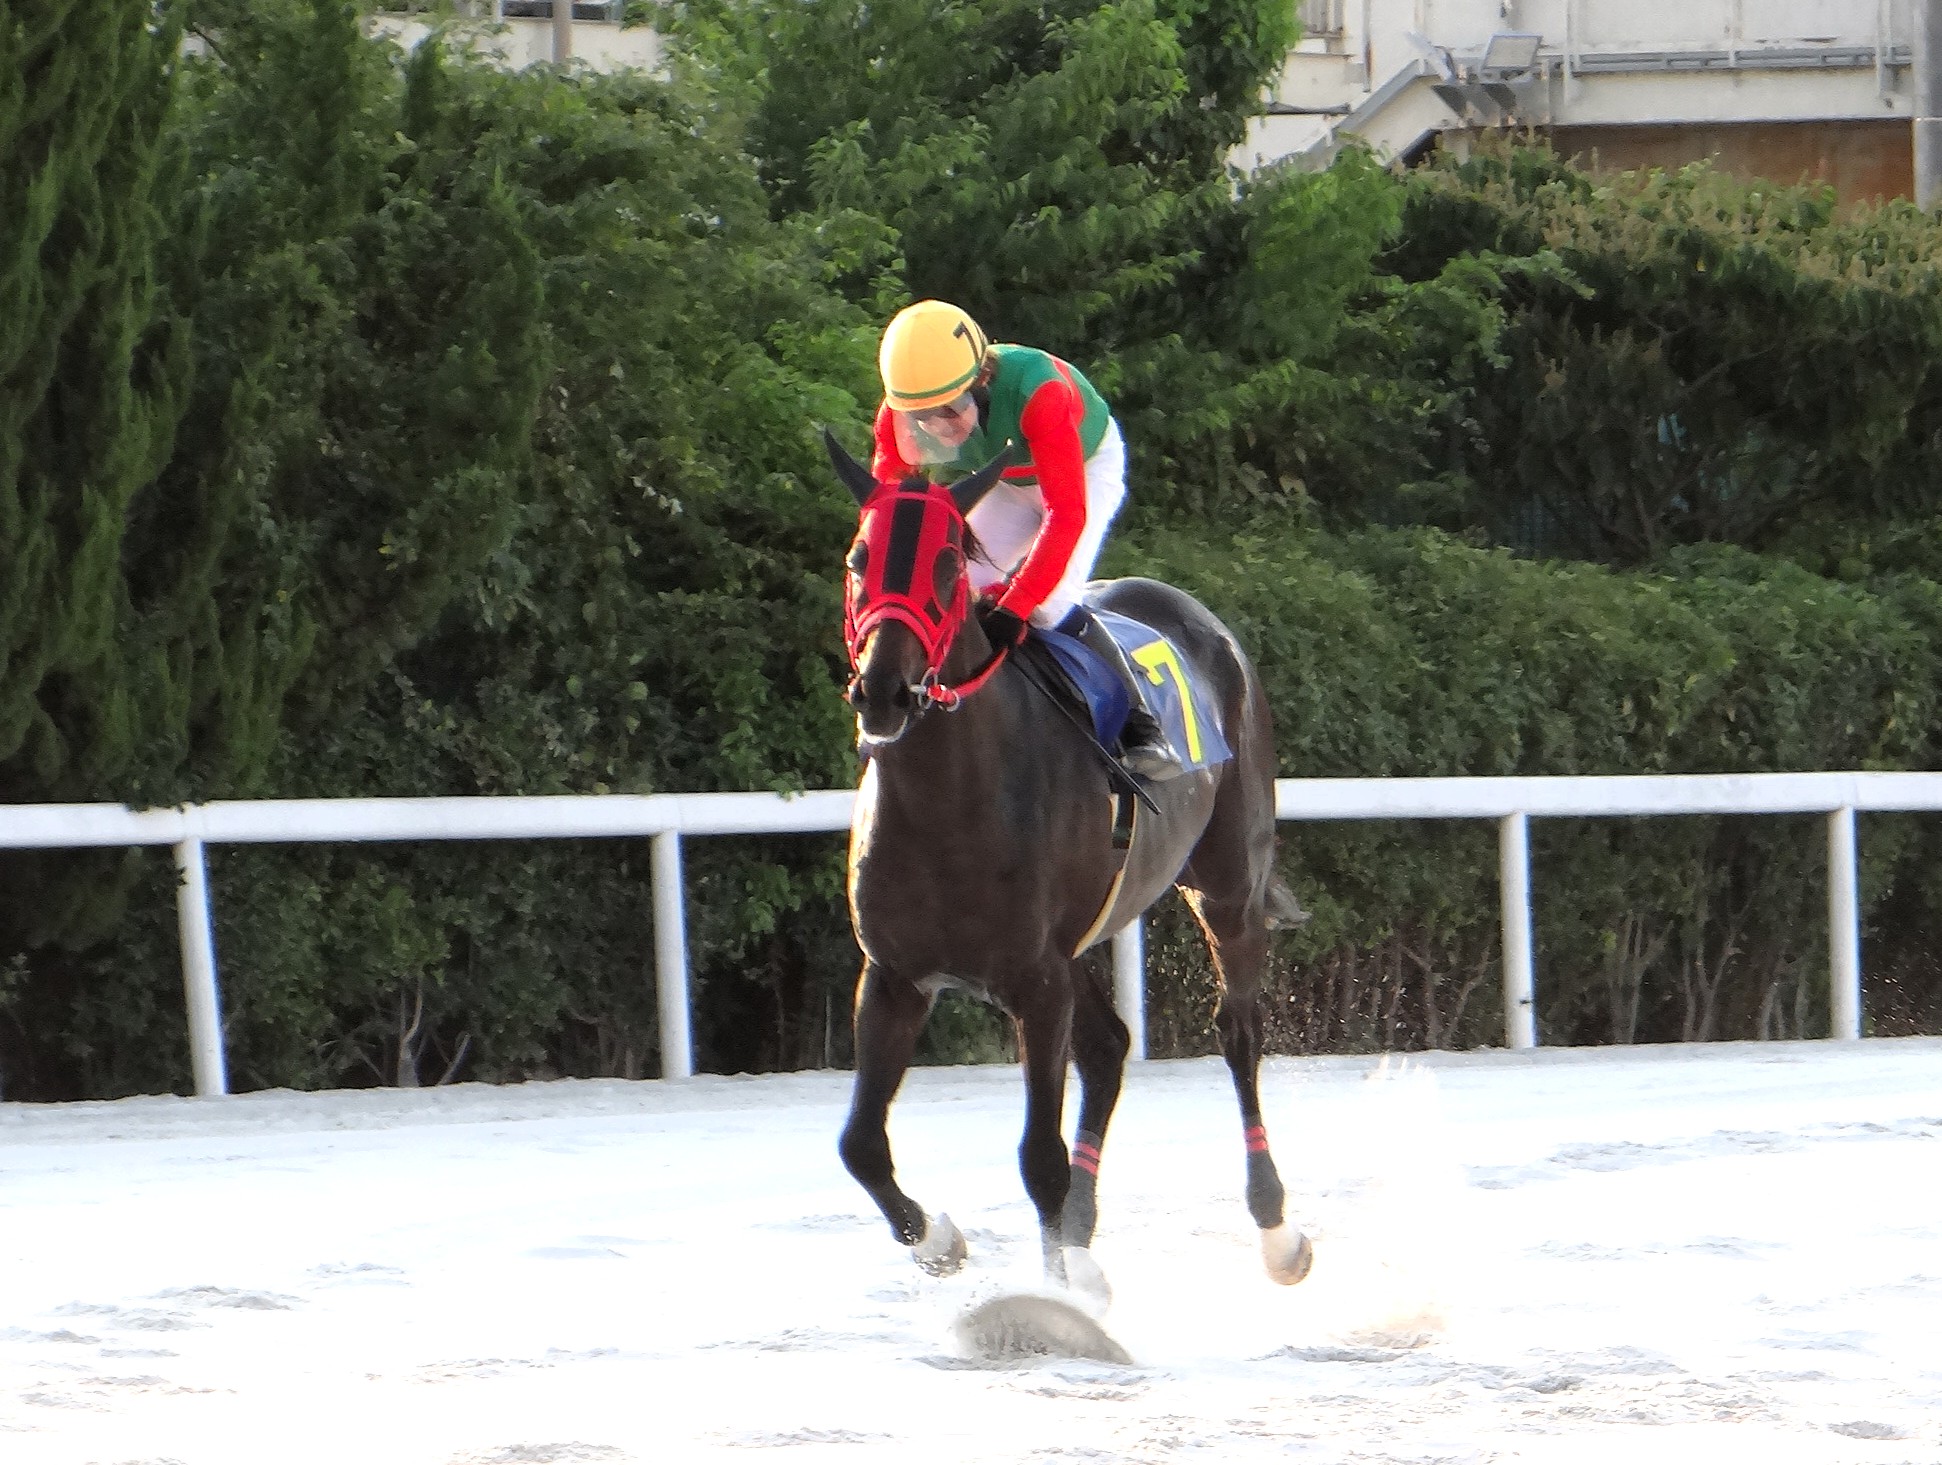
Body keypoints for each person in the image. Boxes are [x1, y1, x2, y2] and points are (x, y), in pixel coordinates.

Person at [871, 298, 1181, 780]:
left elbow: (1065, 514)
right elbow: (889, 521)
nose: (935, 427)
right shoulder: (902, 412)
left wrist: (1016, 606)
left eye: (950, 410)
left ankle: (1141, 726)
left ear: (982, 380)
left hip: (1082, 471)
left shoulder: (1040, 391)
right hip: (1012, 484)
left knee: (1047, 604)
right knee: (947, 587)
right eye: (921, 417)